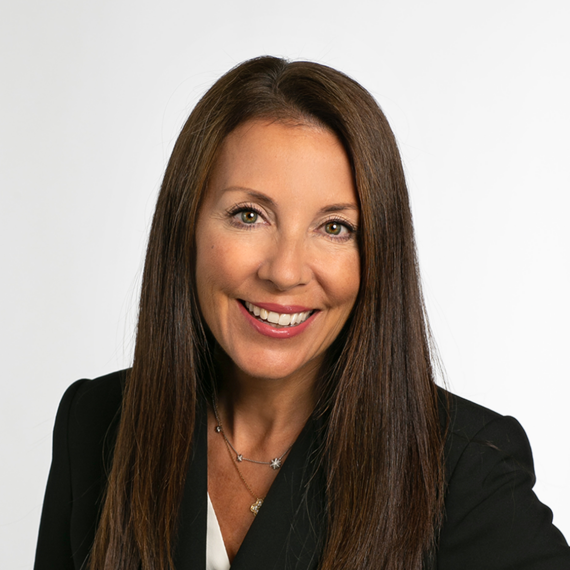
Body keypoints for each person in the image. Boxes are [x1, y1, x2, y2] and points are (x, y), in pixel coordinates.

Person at [34, 56, 570, 570]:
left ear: (377, 256)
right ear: (187, 227)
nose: (286, 271)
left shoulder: (463, 467)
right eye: (249, 215)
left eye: (335, 227)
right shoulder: (97, 422)